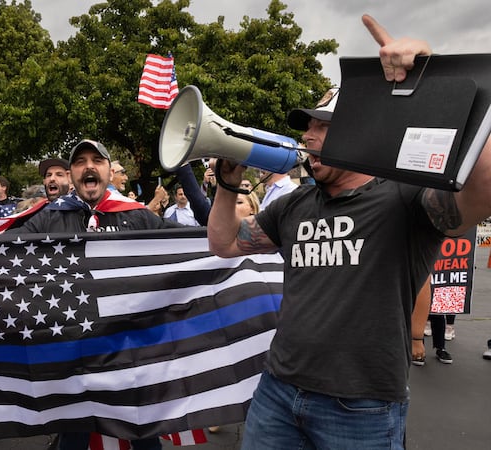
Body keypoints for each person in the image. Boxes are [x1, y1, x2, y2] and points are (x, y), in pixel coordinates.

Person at [206, 15, 491, 449]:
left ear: (359, 133)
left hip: (362, 407)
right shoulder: (294, 204)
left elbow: (485, 185)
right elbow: (224, 243)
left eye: (322, 127)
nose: (307, 135)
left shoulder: (406, 198)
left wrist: (432, 82)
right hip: (279, 391)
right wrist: (228, 185)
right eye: (308, 126)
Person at [0, 139, 182, 450]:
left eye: (97, 160)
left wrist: (232, 232)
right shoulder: (51, 216)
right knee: (74, 434)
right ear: (73, 174)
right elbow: (7, 248)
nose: (89, 166)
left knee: (143, 433)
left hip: (128, 350)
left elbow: (186, 242)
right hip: (74, 353)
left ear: (107, 170)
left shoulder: (136, 216)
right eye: (80, 162)